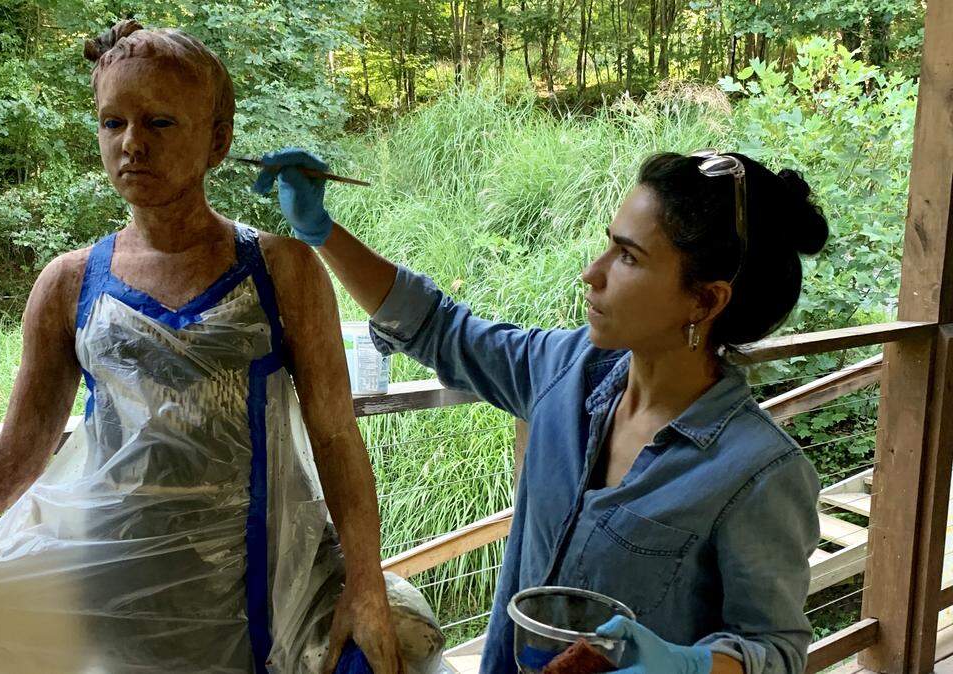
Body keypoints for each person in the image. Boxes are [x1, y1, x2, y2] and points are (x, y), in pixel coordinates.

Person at [0, 23, 416, 674]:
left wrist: (366, 586)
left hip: (271, 581)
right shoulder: (68, 285)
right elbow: (17, 453)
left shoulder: (281, 270)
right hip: (123, 598)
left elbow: (336, 436)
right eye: (112, 122)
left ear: (218, 140)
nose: (132, 144)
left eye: (161, 122)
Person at [253, 147, 828, 674]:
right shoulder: (564, 372)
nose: (593, 272)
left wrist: (685, 666)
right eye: (608, 244)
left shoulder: (757, 473)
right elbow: (439, 328)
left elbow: (774, 649)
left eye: (627, 257)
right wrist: (323, 233)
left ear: (706, 299)